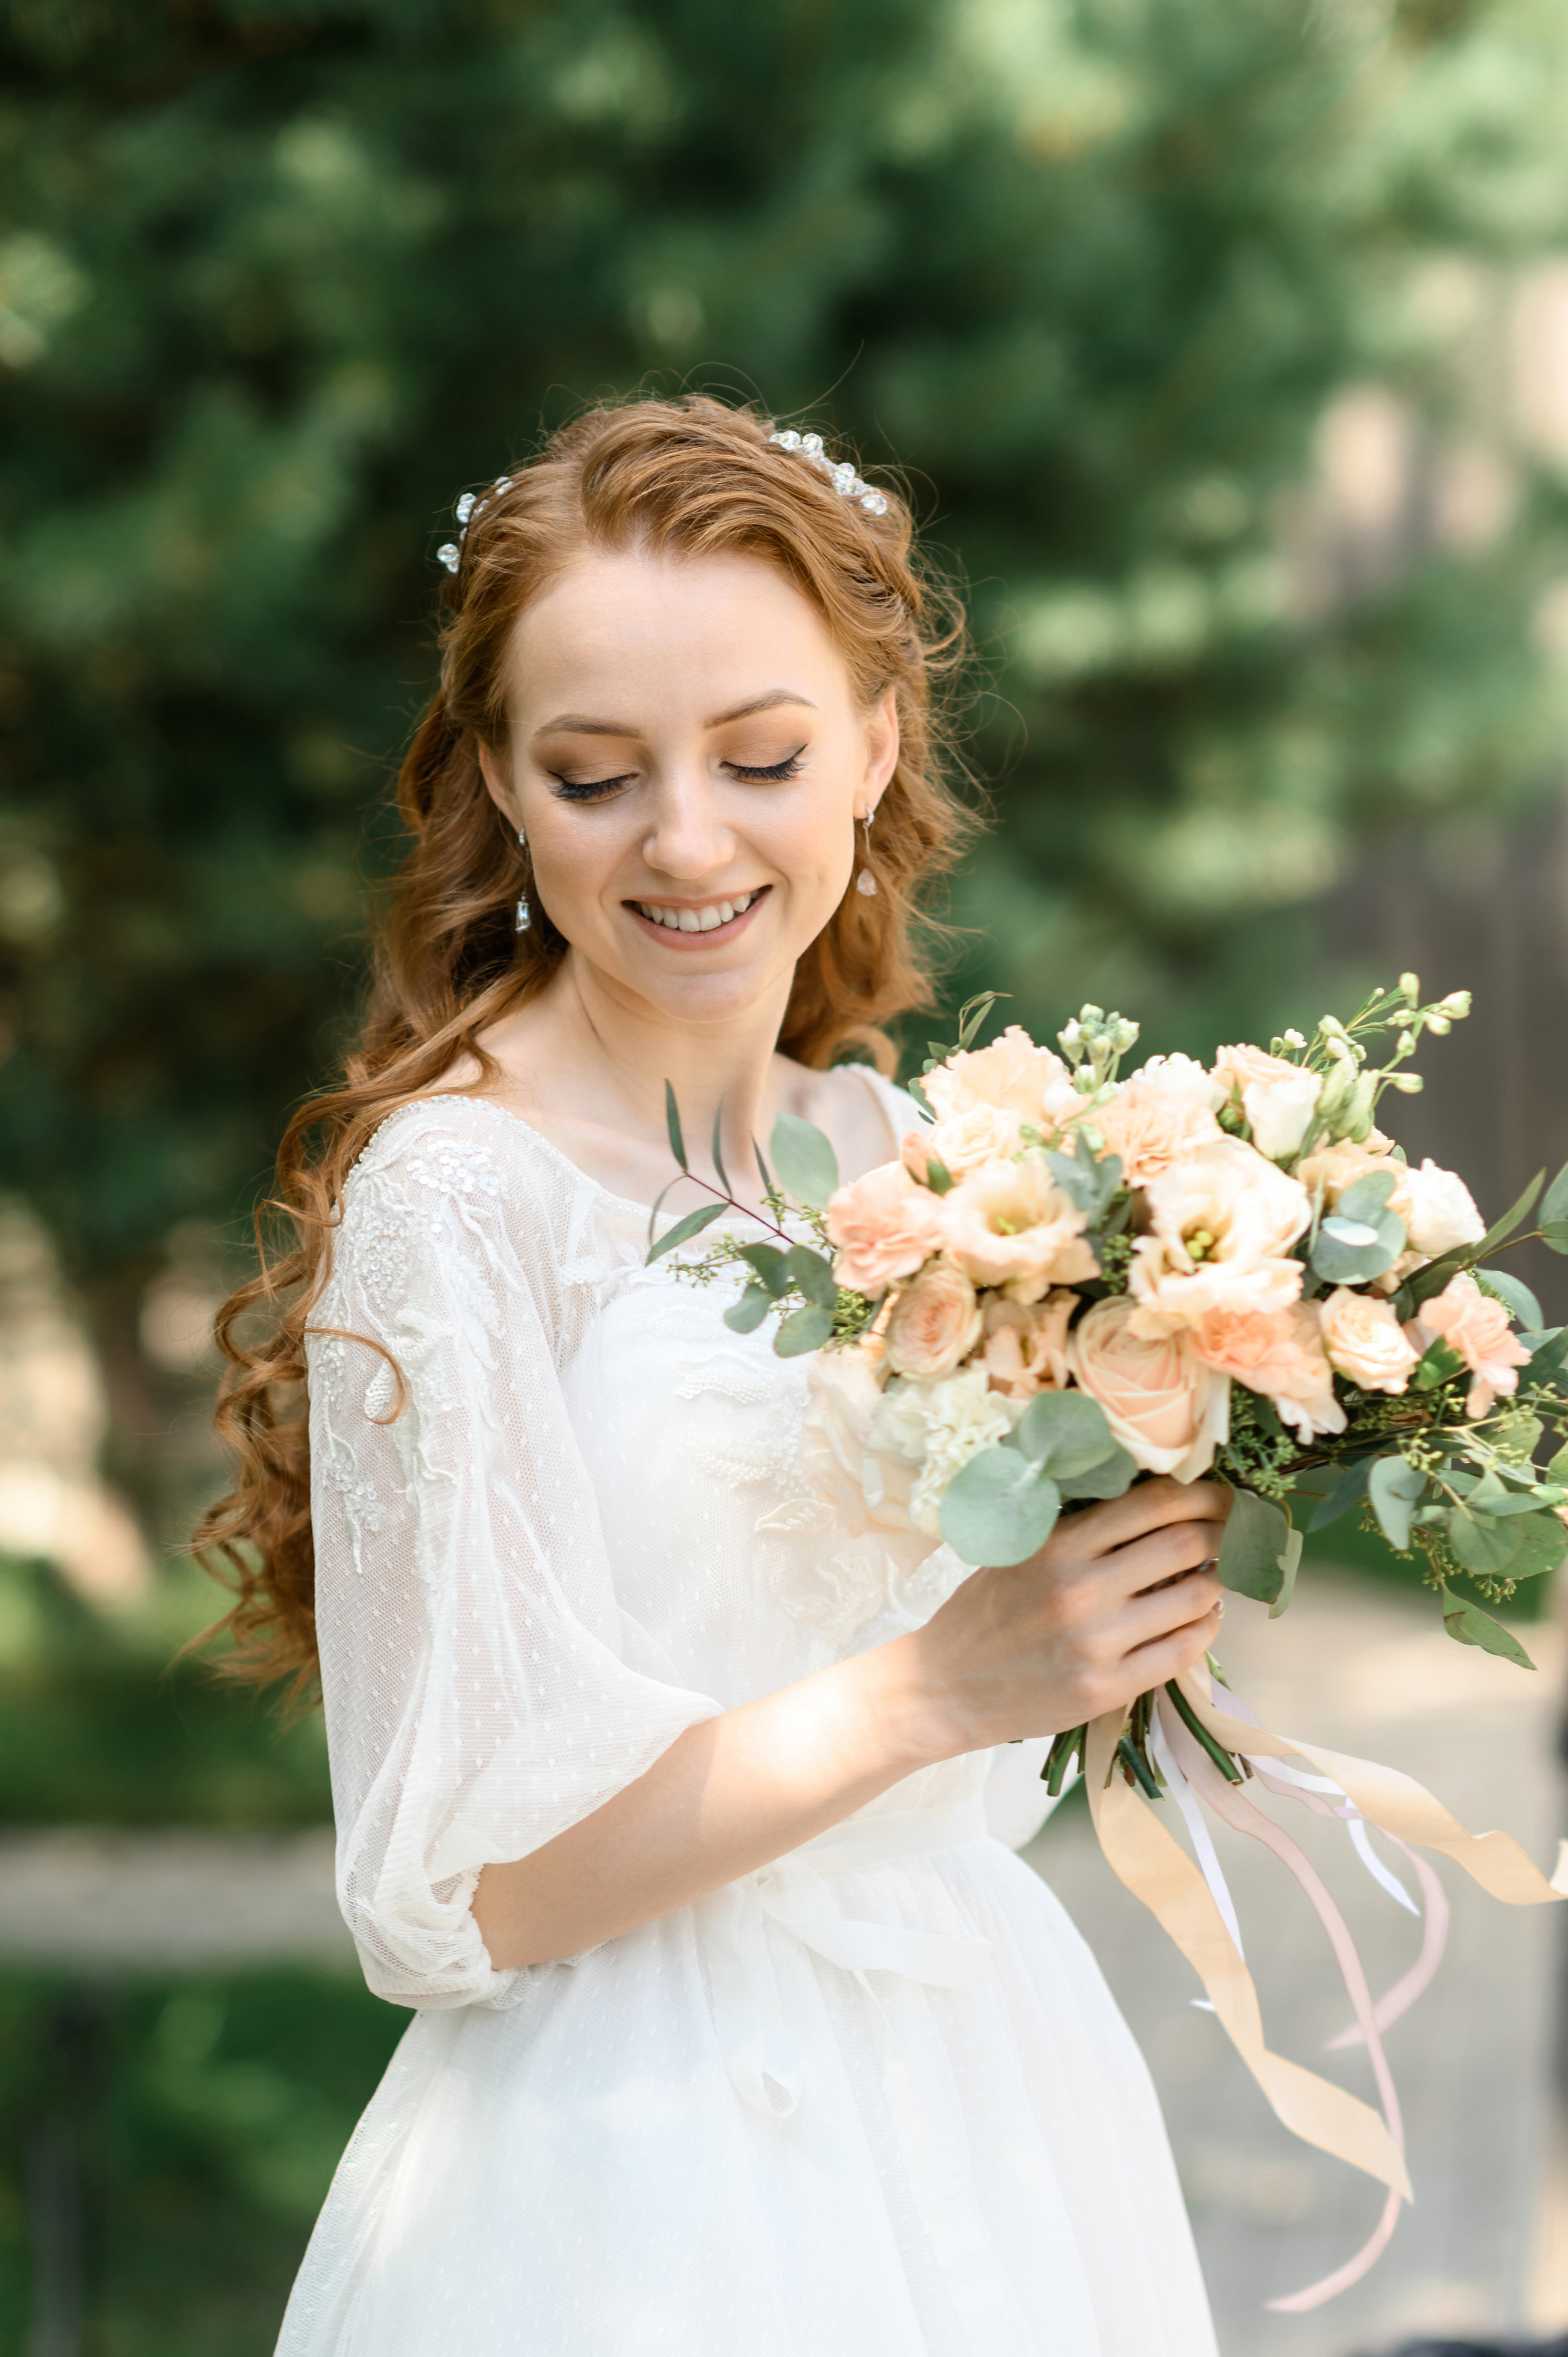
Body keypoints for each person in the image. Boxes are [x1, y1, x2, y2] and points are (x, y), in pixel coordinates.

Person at [198, 394, 1229, 2357]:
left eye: (758, 755)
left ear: (874, 746)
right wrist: (940, 1690)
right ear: (501, 789)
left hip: (984, 2100)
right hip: (635, 2177)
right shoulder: (455, 1200)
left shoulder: (895, 1157)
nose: (687, 839)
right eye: (595, 777)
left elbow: (986, 1654)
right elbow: (456, 1895)